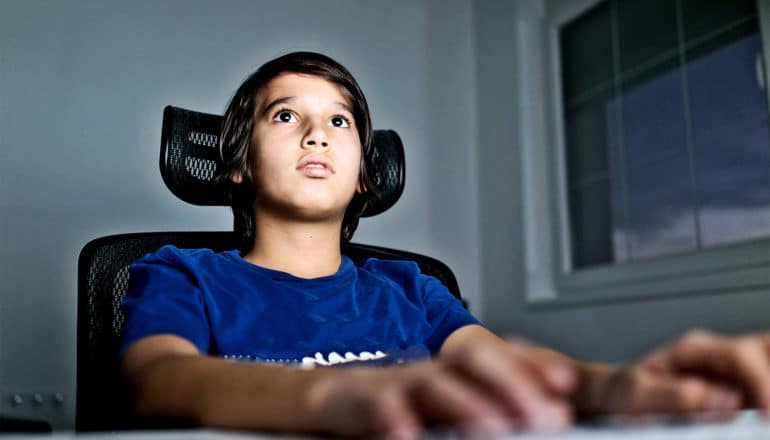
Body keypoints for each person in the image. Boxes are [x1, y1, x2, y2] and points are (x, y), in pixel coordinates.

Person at [119, 51, 770, 438]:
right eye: (286, 115)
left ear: (367, 176)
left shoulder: (414, 290)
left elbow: (519, 371)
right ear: (235, 164)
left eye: (339, 121)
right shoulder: (180, 274)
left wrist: (612, 388)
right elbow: (156, 379)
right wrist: (329, 398)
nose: (317, 134)